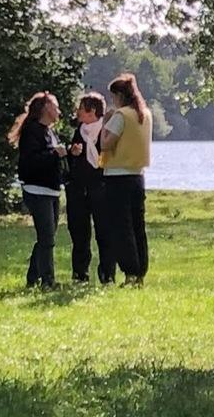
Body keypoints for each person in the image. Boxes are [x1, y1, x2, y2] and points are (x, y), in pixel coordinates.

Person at [97, 73, 154, 284]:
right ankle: (140, 271)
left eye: (114, 96)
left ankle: (130, 271)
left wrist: (106, 121)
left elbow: (105, 144)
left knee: (122, 226)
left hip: (117, 176)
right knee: (138, 225)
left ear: (119, 95)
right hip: (138, 176)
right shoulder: (145, 114)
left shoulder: (120, 116)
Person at [8, 91, 65, 290]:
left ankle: (33, 278)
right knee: (47, 237)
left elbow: (53, 158)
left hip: (51, 191)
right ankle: (48, 281)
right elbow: (31, 162)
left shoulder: (50, 131)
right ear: (46, 108)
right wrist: (54, 154)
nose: (59, 111)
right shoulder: (32, 131)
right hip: (36, 190)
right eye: (56, 106)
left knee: (46, 237)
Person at [65, 92, 111, 284]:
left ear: (91, 111)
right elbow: (71, 156)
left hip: (100, 187)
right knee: (79, 233)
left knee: (104, 232)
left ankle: (107, 274)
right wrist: (72, 152)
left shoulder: (106, 131)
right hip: (78, 189)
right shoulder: (79, 131)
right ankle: (79, 273)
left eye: (80, 109)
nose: (77, 112)